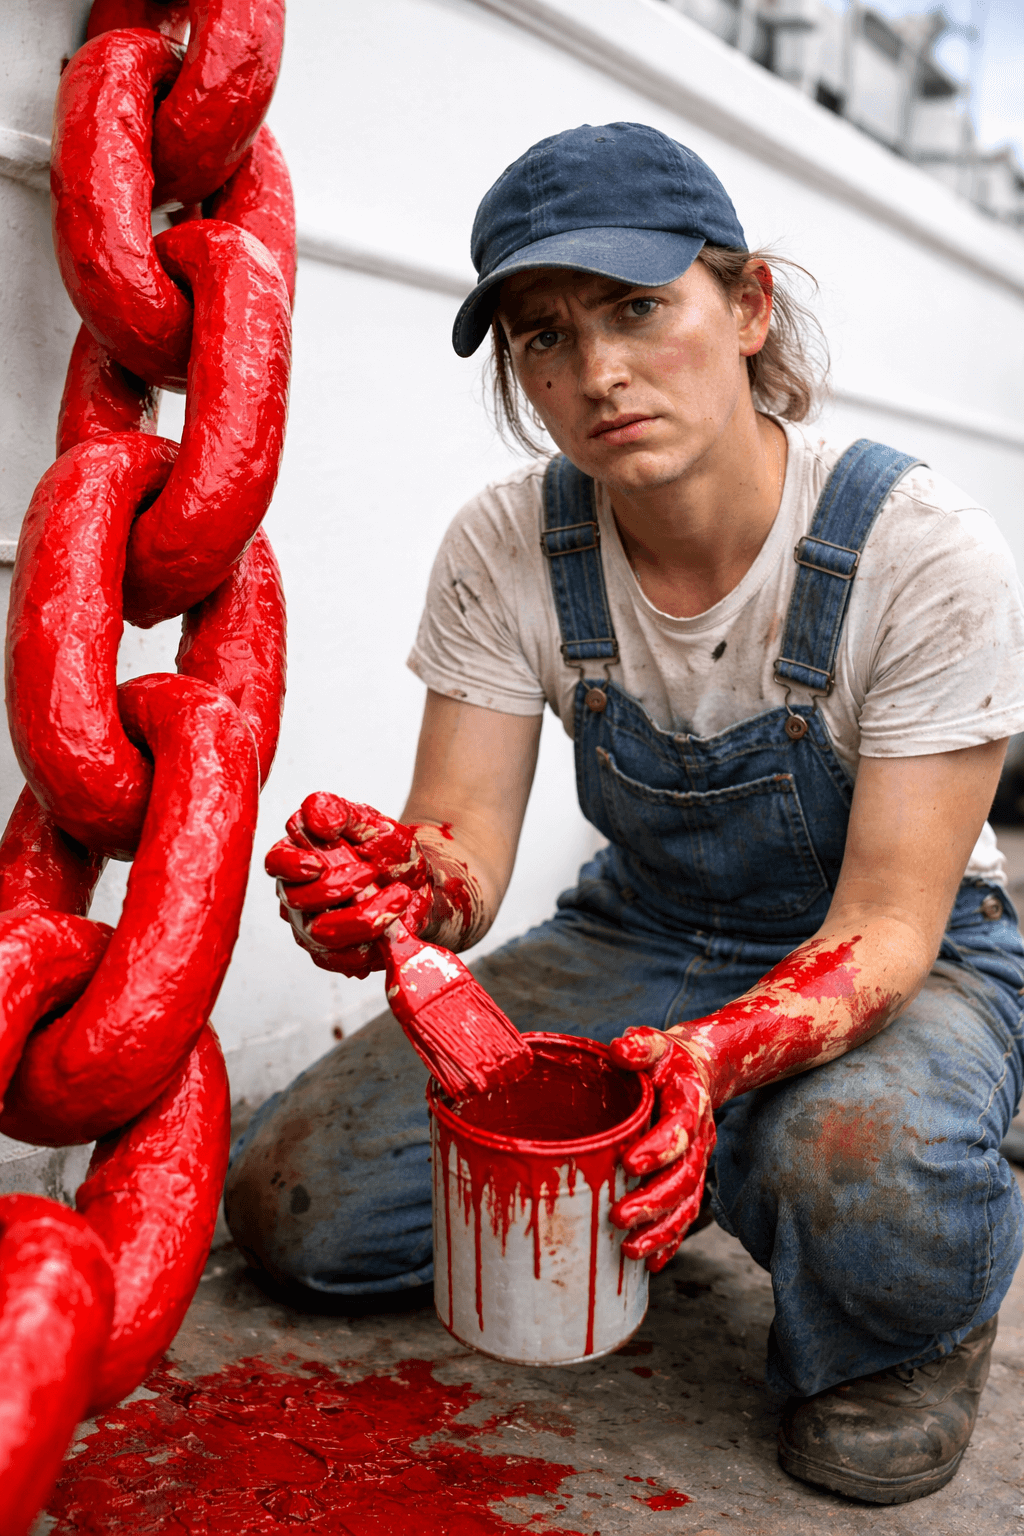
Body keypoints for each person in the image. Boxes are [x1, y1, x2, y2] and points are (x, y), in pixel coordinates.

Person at [225, 123, 1024, 1505]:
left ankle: (903, 1326)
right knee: (300, 1206)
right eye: (544, 337)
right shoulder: (507, 543)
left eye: (638, 308)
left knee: (851, 1155)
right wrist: (399, 890)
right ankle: (692, 1169)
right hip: (647, 934)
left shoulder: (916, 549)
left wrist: (710, 1066)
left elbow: (889, 926)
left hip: (901, 959)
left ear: (749, 305)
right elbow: (461, 844)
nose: (595, 373)